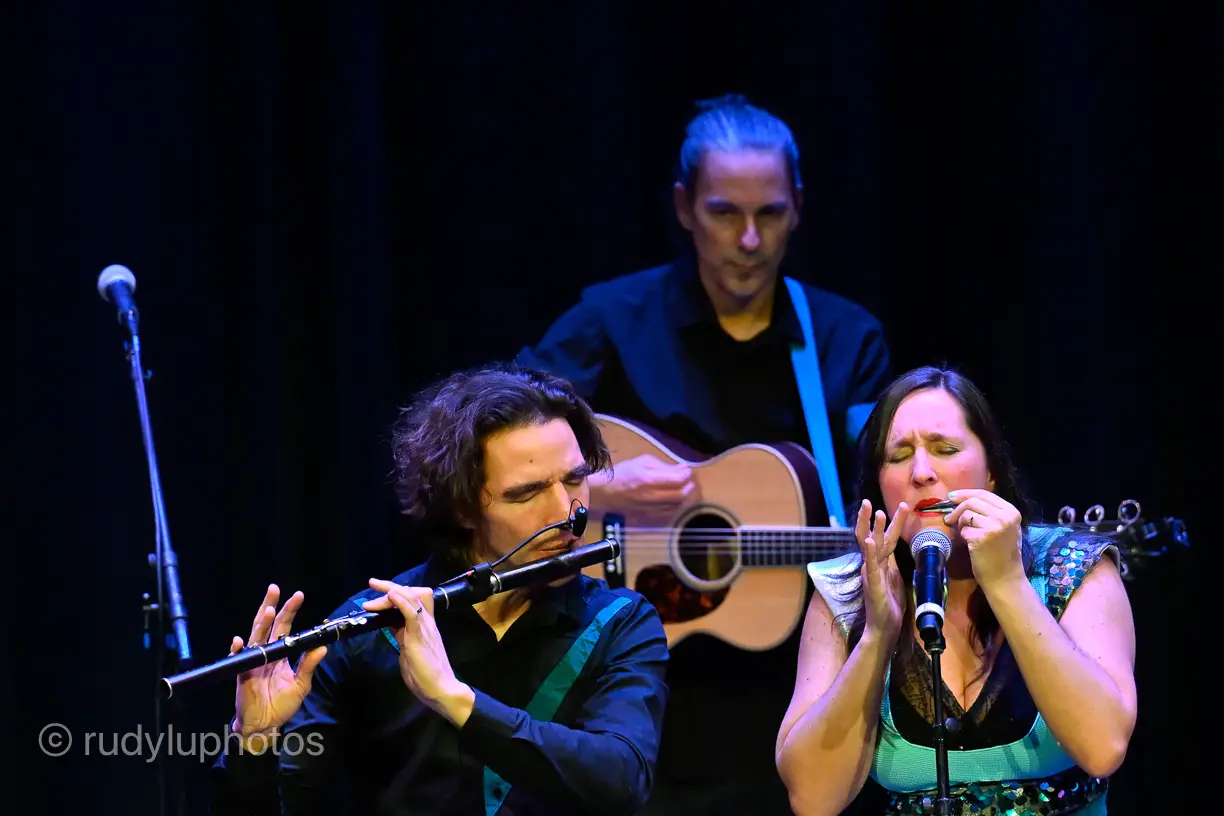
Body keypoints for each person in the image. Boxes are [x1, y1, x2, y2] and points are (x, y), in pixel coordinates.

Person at [515, 94, 892, 813]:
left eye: (769, 214)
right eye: (724, 213)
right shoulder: (611, 320)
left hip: (797, 699)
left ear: (798, 207)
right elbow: (493, 440)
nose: (749, 240)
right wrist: (599, 489)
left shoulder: (844, 339)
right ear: (684, 207)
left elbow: (887, 486)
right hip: (624, 691)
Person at [208, 363, 670, 815]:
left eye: (574, 479)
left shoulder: (619, 622)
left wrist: (455, 698)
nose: (568, 513)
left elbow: (621, 781)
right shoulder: (369, 632)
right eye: (526, 493)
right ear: (461, 508)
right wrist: (253, 745)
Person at [775, 365, 1138, 815]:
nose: (922, 472)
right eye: (898, 456)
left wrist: (1007, 584)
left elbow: (1104, 747)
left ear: (991, 472)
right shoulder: (846, 589)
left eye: (944, 449)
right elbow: (812, 799)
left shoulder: (1073, 567)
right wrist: (876, 636)